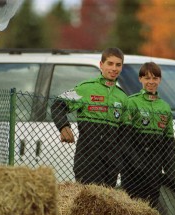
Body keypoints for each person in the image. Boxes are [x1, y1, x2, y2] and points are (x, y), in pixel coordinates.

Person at [51, 47, 128, 188]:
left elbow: (124, 133)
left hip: (111, 165)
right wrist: (63, 126)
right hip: (87, 160)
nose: (114, 68)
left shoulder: (123, 97)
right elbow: (57, 105)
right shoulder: (85, 89)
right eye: (110, 63)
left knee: (106, 205)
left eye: (118, 64)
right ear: (101, 65)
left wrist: (119, 161)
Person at [120, 62, 175, 208]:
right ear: (140, 79)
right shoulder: (132, 102)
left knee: (151, 208)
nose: (151, 82)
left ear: (160, 80)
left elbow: (169, 142)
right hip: (132, 168)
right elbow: (124, 140)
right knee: (131, 206)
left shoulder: (165, 107)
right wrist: (137, 164)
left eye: (155, 78)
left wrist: (171, 171)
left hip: (154, 168)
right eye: (147, 78)